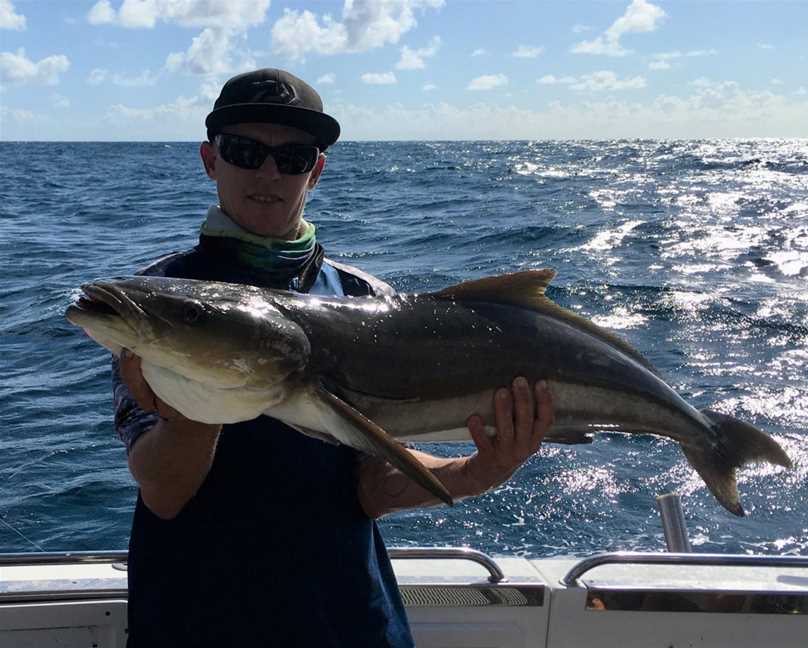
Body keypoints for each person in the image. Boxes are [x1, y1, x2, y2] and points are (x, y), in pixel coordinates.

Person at [114, 68, 554, 648]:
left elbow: (365, 486)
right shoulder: (161, 303)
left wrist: (476, 472)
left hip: (350, 622)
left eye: (293, 156)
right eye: (245, 151)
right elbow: (164, 491)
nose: (268, 172)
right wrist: (204, 395)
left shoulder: (365, 300)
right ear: (210, 159)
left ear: (315, 171)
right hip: (196, 622)